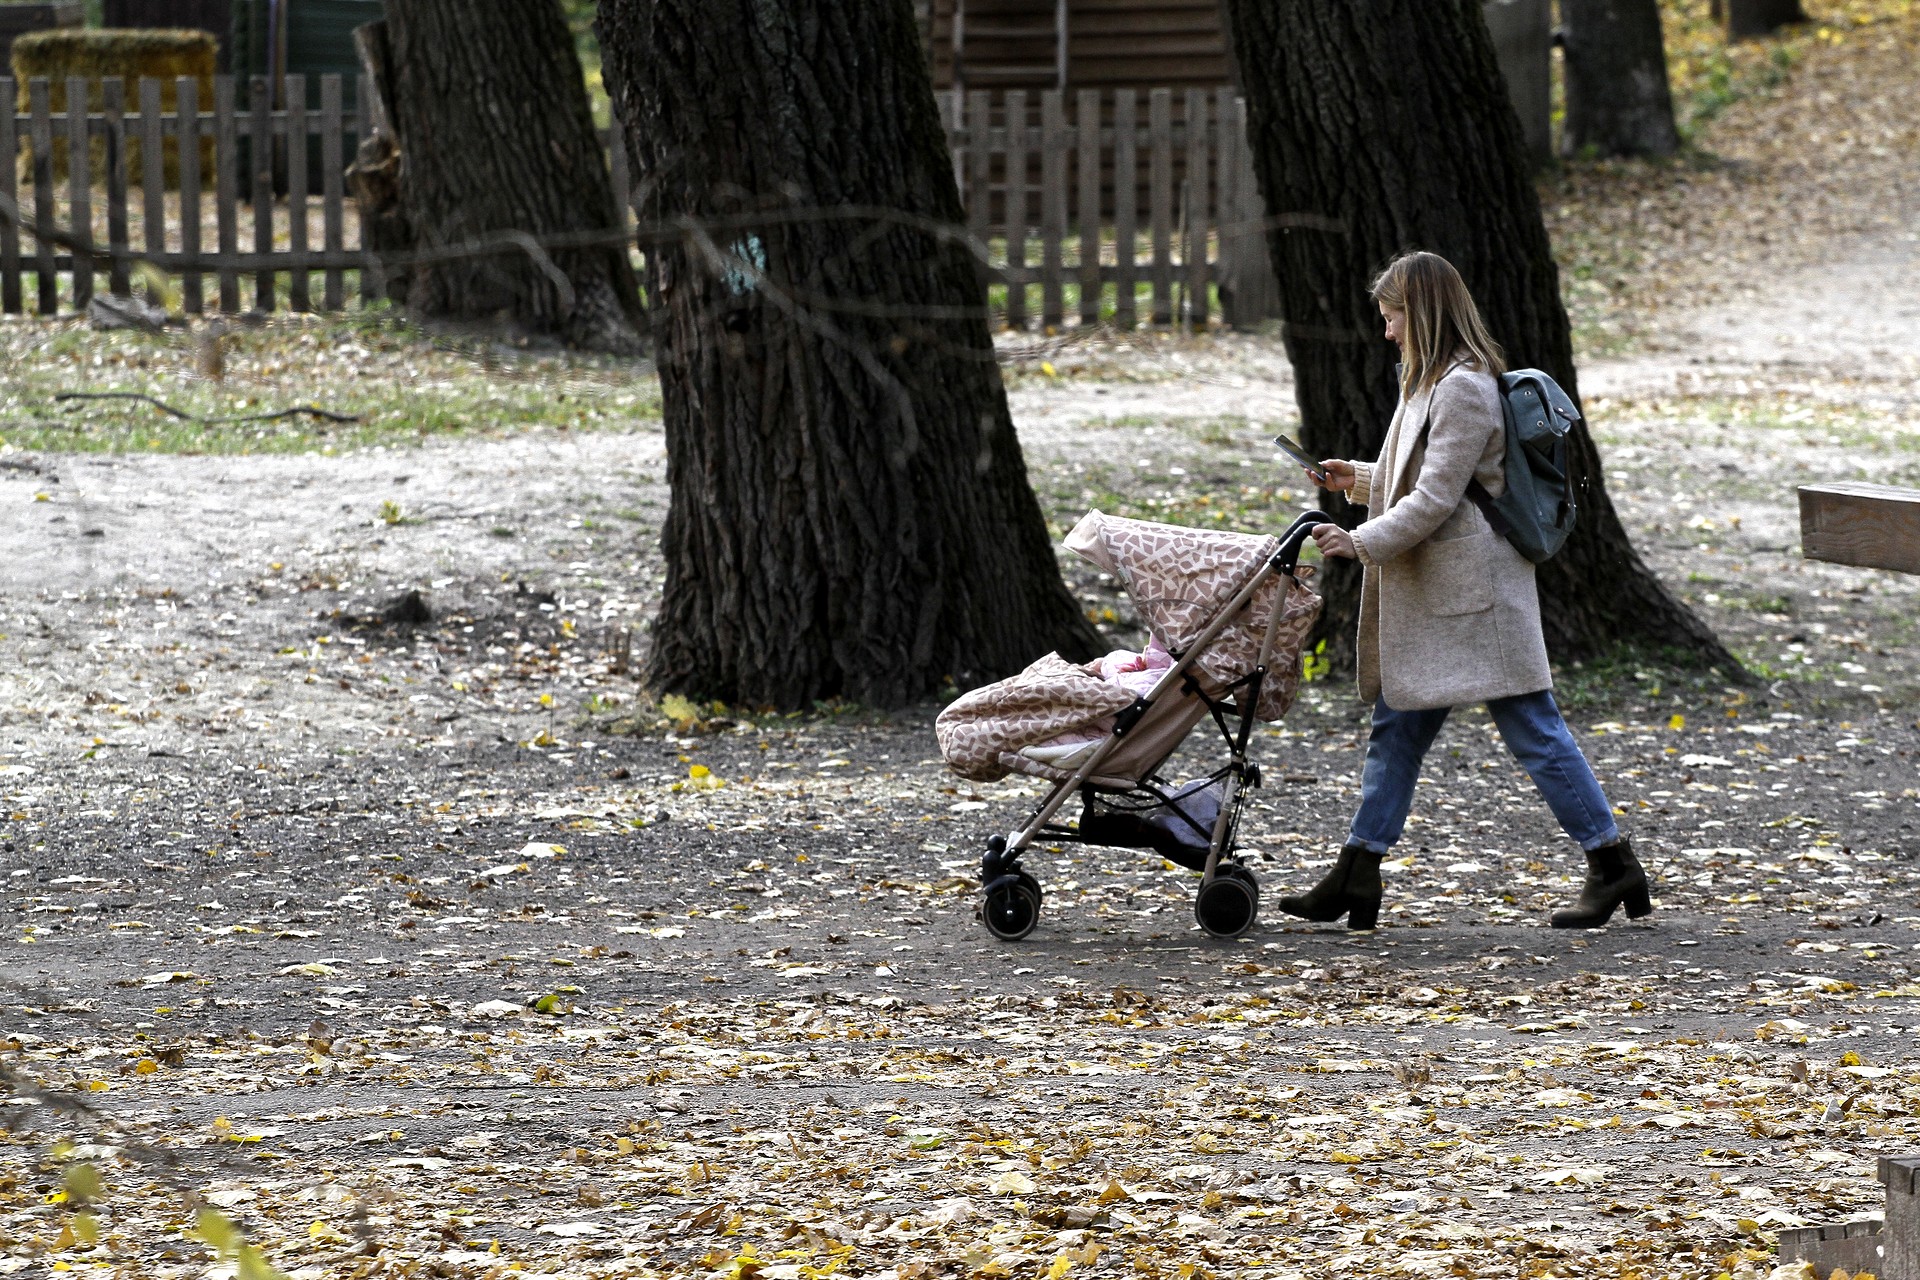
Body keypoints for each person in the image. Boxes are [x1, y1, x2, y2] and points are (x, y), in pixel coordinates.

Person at [1278, 250, 1648, 931]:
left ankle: (1611, 862)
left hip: (1476, 596)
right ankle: (1358, 871)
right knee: (1396, 726)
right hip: (1442, 595)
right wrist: (1353, 480)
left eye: (1393, 317)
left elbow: (1436, 500)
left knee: (1535, 731)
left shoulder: (1464, 388)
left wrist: (1358, 542)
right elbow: (1411, 479)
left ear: (1421, 314)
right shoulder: (1427, 382)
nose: (1387, 331)